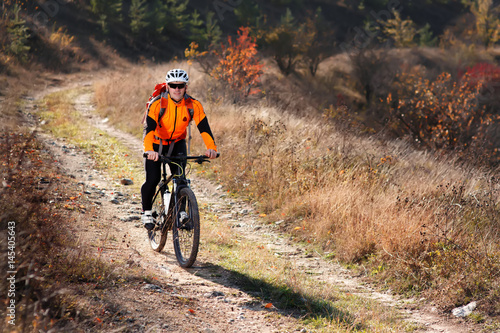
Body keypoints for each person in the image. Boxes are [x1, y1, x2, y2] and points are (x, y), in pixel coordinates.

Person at [141, 69, 217, 230]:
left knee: (181, 179)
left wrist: (211, 148)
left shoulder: (193, 105)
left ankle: (181, 213)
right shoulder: (158, 104)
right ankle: (147, 212)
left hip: (177, 143)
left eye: (180, 85)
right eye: (173, 85)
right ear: (167, 86)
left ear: (186, 87)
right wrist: (150, 150)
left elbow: (204, 129)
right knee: (153, 179)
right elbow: (149, 131)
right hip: (155, 143)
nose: (177, 89)